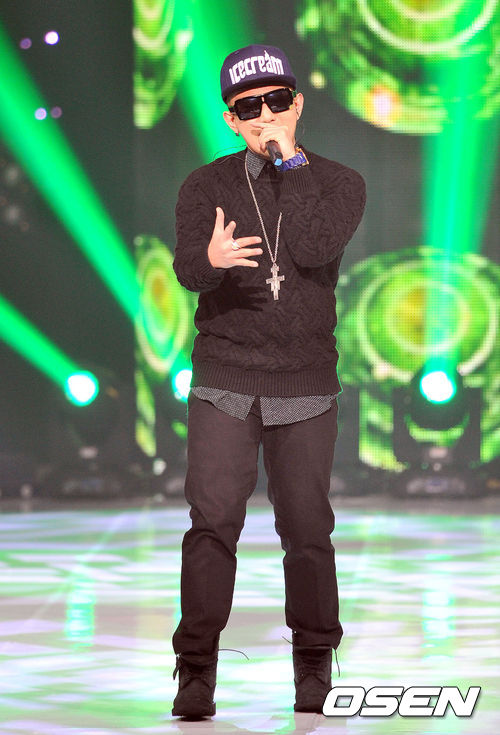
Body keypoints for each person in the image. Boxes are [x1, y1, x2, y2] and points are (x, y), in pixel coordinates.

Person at [171, 43, 366, 717]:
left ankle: (314, 663)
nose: (265, 116)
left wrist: (291, 162)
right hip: (226, 378)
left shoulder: (339, 182)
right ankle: (196, 670)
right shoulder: (206, 185)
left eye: (277, 101)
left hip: (304, 382)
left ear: (298, 104)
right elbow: (188, 271)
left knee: (307, 529)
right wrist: (212, 259)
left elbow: (313, 247)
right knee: (212, 524)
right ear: (231, 119)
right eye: (249, 107)